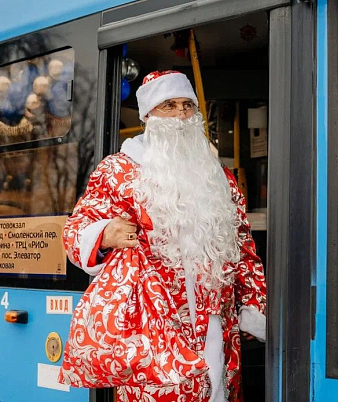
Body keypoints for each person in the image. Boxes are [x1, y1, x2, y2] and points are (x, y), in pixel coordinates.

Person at [60, 70, 267, 402]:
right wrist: (106, 234)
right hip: (151, 327)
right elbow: (75, 231)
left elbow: (243, 247)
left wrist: (254, 307)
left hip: (218, 325)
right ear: (148, 116)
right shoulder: (117, 170)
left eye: (187, 105)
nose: (181, 115)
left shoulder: (220, 177)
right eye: (168, 105)